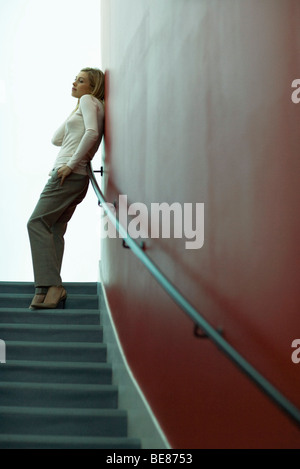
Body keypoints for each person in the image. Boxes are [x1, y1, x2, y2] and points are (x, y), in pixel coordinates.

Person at [27, 67, 105, 309]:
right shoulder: (88, 105)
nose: (75, 83)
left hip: (66, 173)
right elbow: (56, 139)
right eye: (75, 79)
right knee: (54, 229)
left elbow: (92, 132)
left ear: (92, 88)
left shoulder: (87, 100)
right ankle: (46, 290)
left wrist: (70, 165)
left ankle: (52, 286)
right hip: (76, 177)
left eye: (81, 81)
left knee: (36, 223)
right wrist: (74, 114)